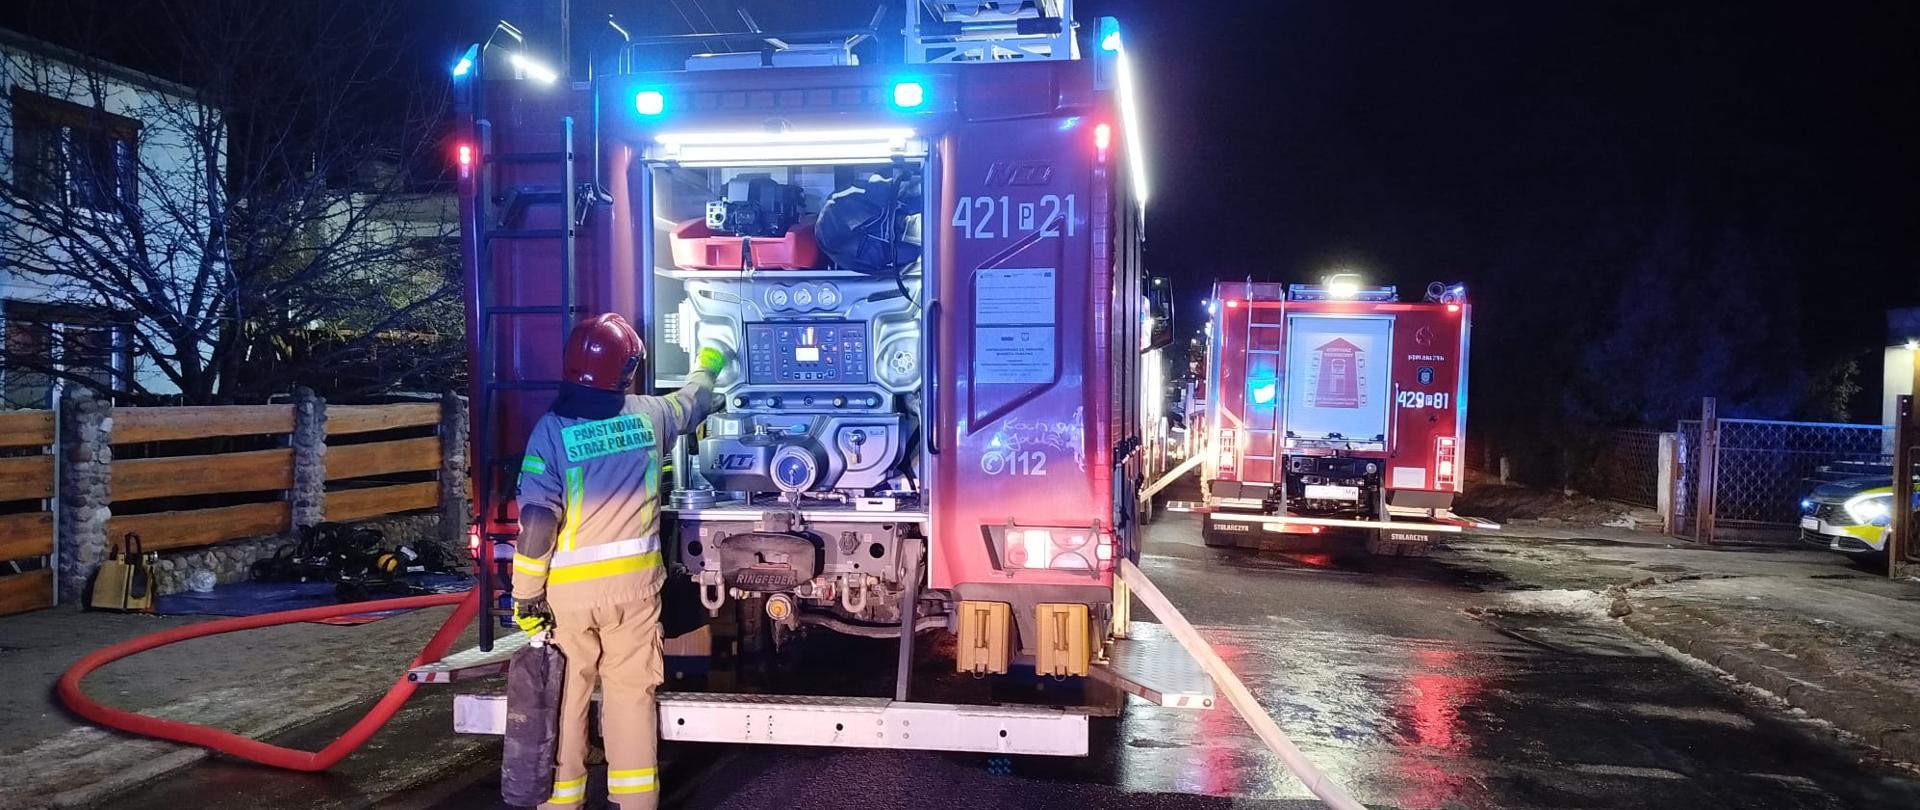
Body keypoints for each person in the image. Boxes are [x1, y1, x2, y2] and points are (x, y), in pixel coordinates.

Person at [510, 312, 725, 809]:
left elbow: (538, 522)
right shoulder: (650, 415)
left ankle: (562, 802)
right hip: (635, 591)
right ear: (626, 371)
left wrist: (526, 597)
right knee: (631, 697)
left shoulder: (551, 431)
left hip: (567, 598)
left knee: (567, 701)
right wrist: (711, 360)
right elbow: (694, 401)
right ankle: (636, 803)